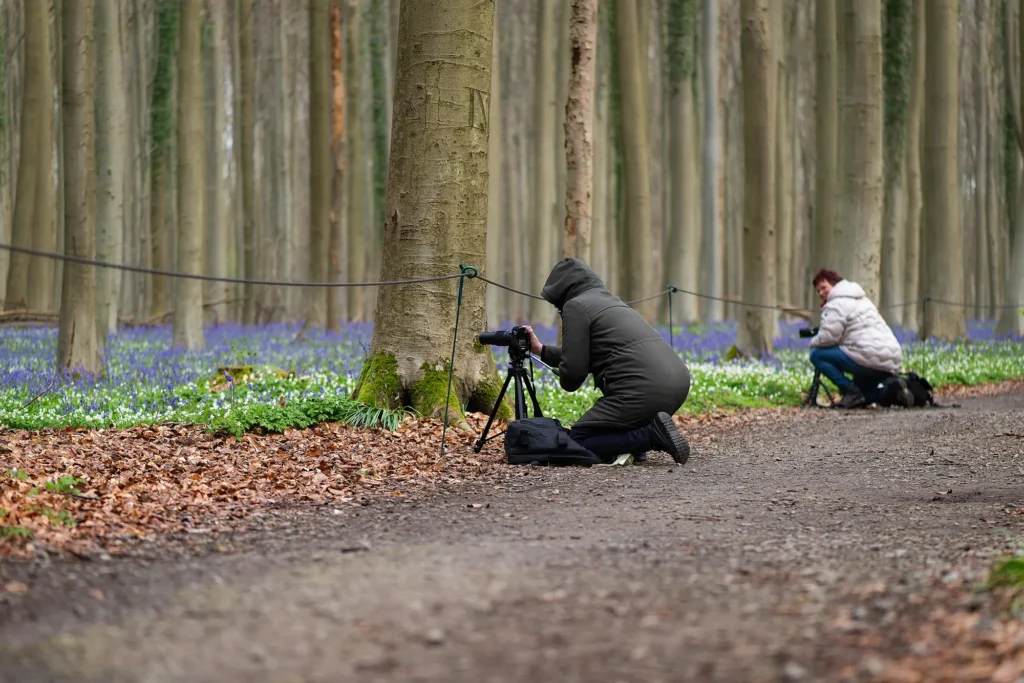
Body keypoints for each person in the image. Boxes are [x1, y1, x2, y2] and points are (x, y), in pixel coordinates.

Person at [523, 258, 691, 465]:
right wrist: (541, 350)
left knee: (580, 439)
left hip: (643, 390)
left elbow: (573, 376)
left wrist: (565, 375)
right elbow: (599, 352)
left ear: (562, 292)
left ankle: (650, 436)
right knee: (611, 423)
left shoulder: (575, 306)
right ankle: (635, 444)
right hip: (678, 384)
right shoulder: (614, 302)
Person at [808, 268, 904, 409]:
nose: (821, 293)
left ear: (835, 285)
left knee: (817, 354)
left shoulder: (836, 303)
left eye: (824, 288)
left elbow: (828, 337)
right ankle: (892, 392)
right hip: (890, 359)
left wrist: (812, 342)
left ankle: (850, 391)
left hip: (868, 357)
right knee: (863, 397)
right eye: (818, 291)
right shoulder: (861, 299)